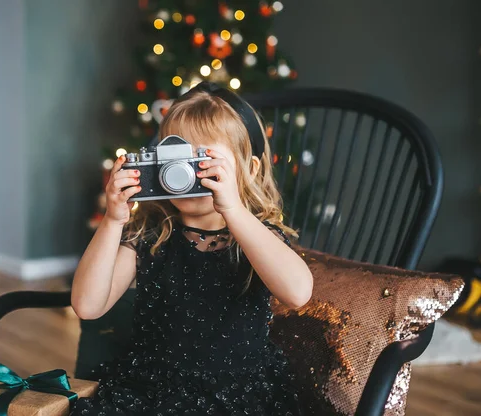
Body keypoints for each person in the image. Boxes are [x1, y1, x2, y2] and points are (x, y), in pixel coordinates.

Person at [70, 82, 313, 415]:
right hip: (149, 391)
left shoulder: (257, 237)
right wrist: (113, 220)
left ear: (249, 170)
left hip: (237, 396)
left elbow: (298, 293)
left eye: (203, 161)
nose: (185, 171)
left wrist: (234, 210)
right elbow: (87, 305)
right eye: (176, 156)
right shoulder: (149, 235)